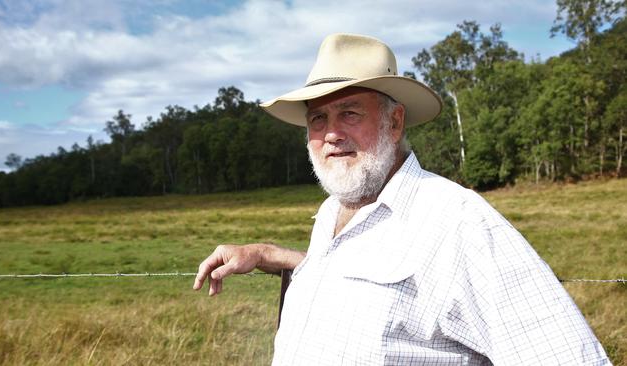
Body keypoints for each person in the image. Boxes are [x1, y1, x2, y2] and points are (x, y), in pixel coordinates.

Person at [193, 33, 610, 365]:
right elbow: (371, 287)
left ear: (395, 122)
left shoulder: (458, 223)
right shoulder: (332, 211)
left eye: (349, 113)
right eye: (318, 118)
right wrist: (270, 254)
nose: (331, 133)